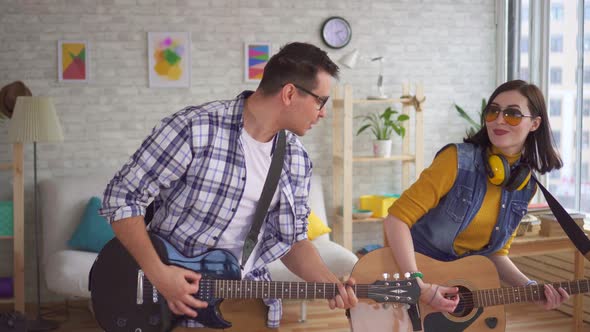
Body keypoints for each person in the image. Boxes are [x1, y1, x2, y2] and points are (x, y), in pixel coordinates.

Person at [99, 42, 358, 329]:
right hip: (169, 303)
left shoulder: (296, 159)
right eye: (320, 101)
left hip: (247, 303)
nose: (323, 113)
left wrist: (330, 282)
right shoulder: (195, 129)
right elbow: (121, 198)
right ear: (289, 93)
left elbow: (293, 239)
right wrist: (158, 273)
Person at [383, 79, 569, 314]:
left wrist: (530, 288)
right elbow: (396, 220)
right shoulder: (456, 160)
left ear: (535, 124)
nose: (499, 120)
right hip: (411, 281)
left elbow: (494, 253)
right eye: (493, 111)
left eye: (512, 114)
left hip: (452, 292)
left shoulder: (525, 186)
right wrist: (418, 283)